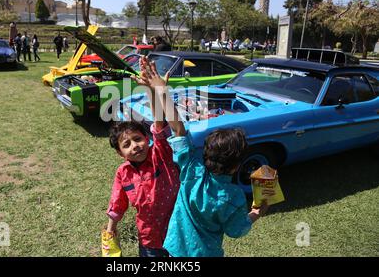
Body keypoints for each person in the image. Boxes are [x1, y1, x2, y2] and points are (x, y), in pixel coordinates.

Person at [105, 57, 186, 257]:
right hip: (149, 239)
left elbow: (159, 121)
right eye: (127, 144)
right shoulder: (123, 173)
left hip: (177, 233)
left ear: (147, 138)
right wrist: (110, 227)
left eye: (137, 139)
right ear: (120, 153)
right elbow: (117, 203)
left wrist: (152, 90)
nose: (135, 146)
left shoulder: (160, 153)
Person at [162, 127, 269, 257]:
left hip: (176, 249)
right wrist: (256, 213)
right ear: (236, 165)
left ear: (206, 153)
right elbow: (235, 230)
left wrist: (165, 106)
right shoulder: (234, 197)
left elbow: (179, 134)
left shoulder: (192, 171)